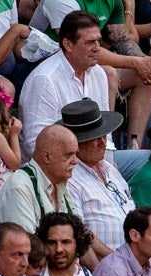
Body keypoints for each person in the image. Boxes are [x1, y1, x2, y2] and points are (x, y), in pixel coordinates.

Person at [27, 0, 151, 154]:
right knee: (109, 73)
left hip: (82, 66)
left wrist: (147, 63)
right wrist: (137, 62)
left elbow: (123, 39)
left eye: (99, 41)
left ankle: (134, 147)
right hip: (43, 64)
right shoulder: (61, 1)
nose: (96, 46)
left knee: (147, 78)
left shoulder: (112, 1)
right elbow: (78, 48)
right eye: (93, 41)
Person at [19, 12, 144, 177]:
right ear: (68, 44)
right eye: (90, 42)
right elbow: (35, 144)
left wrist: (106, 168)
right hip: (58, 168)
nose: (97, 47)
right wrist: (85, 169)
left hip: (93, 158)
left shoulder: (99, 74)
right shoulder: (44, 80)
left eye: (99, 41)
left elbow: (104, 132)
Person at [64, 98, 137, 258]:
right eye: (95, 138)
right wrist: (116, 262)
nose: (102, 143)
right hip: (107, 264)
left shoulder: (110, 168)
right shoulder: (70, 179)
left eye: (103, 136)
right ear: (76, 144)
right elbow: (80, 233)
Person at [0, 124, 79, 236]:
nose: (75, 161)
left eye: (76, 154)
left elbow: (78, 235)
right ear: (47, 157)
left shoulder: (60, 182)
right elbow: (27, 246)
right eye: (69, 154)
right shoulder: (19, 186)